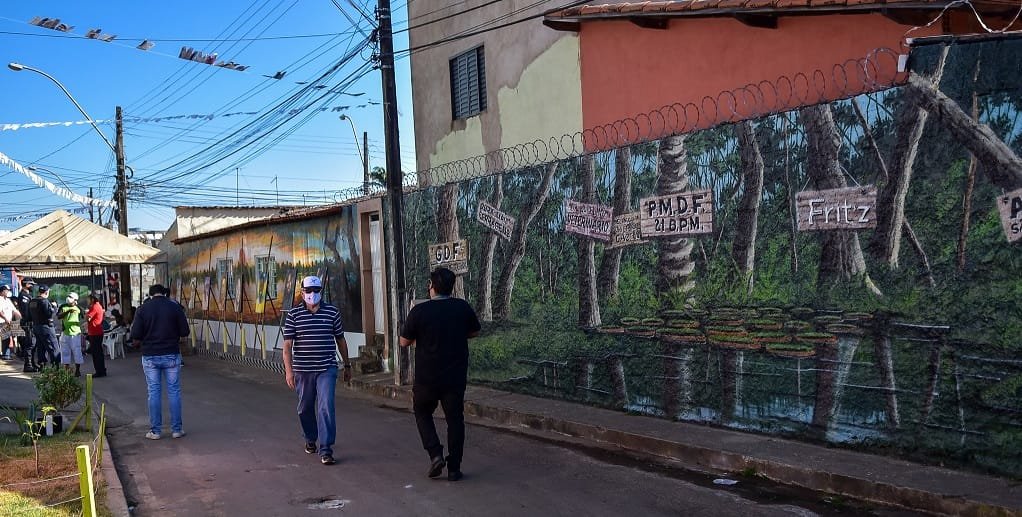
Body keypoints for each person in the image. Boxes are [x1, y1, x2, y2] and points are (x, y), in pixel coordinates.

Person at [399, 267, 481, 482]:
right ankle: (454, 468)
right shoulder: (462, 307)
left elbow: (404, 341)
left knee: (422, 412)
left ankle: (435, 454)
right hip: (454, 377)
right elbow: (474, 331)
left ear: (432, 286)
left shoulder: (419, 311)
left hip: (427, 378)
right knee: (455, 420)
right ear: (451, 287)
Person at [282, 276, 351, 466]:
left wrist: (347, 364)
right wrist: (289, 371)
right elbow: (287, 346)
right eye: (308, 291)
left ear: (321, 291)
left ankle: (326, 449)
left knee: (326, 405)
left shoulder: (332, 313)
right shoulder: (294, 315)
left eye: (316, 290)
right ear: (302, 292)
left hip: (326, 368)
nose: (312, 294)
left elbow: (340, 339)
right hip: (303, 370)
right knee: (305, 407)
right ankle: (310, 437)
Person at [130, 284, 190, 440]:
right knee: (174, 391)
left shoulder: (142, 309)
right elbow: (185, 331)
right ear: (164, 293)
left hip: (150, 356)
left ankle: (155, 431)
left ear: (150, 294)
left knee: (154, 392)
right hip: (171, 354)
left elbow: (136, 333)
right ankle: (177, 430)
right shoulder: (174, 307)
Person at [27, 285, 58, 368]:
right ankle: (56, 366)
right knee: (53, 346)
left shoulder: (32, 301)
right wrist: (54, 307)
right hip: (46, 327)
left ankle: (42, 365)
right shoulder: (44, 301)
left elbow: (29, 315)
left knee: (41, 346)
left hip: (36, 327)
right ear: (46, 292)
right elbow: (49, 314)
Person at [57, 292, 84, 377]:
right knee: (65, 352)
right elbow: (59, 316)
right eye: (68, 296)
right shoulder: (63, 307)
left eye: (71, 297)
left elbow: (83, 318)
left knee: (77, 352)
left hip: (75, 334)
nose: (68, 298)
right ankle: (66, 371)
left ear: (75, 300)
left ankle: (77, 370)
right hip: (65, 333)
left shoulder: (79, 308)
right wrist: (68, 311)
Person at [16, 280, 38, 372]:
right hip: (27, 323)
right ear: (27, 284)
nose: (33, 286)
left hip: (30, 323)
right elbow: (26, 312)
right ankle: (28, 365)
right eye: (31, 284)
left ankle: (32, 363)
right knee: (30, 344)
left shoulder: (27, 295)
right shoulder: (23, 296)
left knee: (33, 344)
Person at [85, 294, 107, 377]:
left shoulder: (94, 307)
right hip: (96, 332)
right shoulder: (98, 306)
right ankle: (102, 370)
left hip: (95, 332)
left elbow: (88, 318)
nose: (87, 301)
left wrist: (86, 313)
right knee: (98, 353)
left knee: (96, 353)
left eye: (88, 299)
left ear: (92, 300)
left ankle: (99, 371)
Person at [0, 285, 22, 360]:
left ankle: (8, 354)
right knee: (6, 338)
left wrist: (22, 317)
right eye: (7, 290)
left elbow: (14, 310)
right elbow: (0, 311)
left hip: (9, 321)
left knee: (9, 338)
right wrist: (5, 318)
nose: (8, 292)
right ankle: (6, 355)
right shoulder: (0, 300)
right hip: (3, 321)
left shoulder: (8, 300)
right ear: (2, 291)